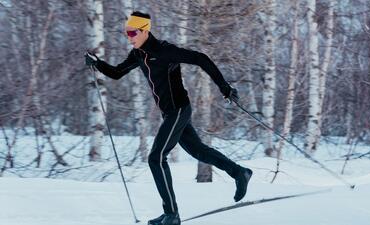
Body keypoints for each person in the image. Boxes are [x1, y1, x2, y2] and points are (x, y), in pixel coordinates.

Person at [85, 11, 252, 225]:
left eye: (132, 32)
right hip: (170, 113)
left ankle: (172, 214)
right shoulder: (138, 54)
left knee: (156, 157)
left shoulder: (164, 50)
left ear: (145, 30)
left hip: (179, 109)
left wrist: (224, 87)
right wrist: (96, 63)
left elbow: (201, 58)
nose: (129, 36)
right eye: (127, 32)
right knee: (198, 151)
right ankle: (239, 172)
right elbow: (117, 72)